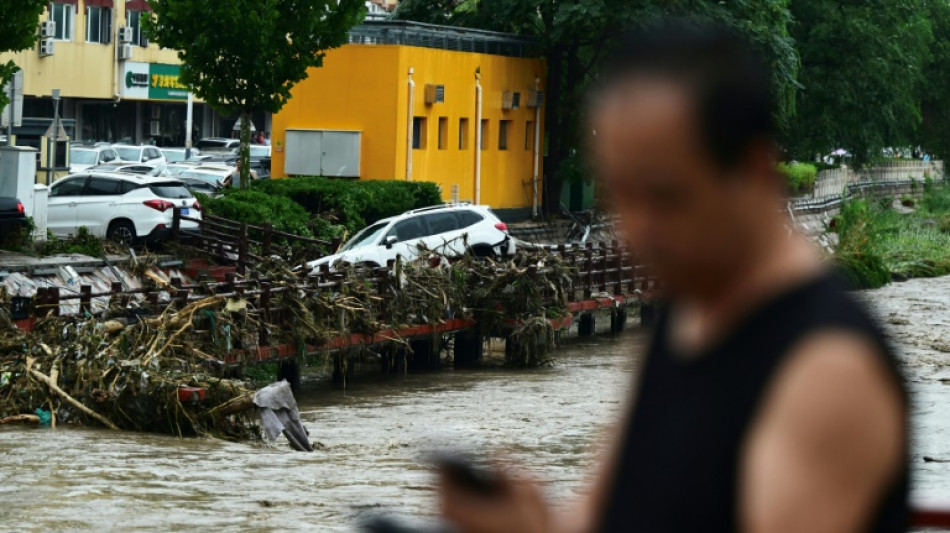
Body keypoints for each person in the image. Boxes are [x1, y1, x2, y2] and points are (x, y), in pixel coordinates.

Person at [438, 21, 907, 533]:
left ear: (752, 171)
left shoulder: (828, 370)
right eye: (619, 196)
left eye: (665, 196)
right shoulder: (684, 322)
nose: (636, 230)